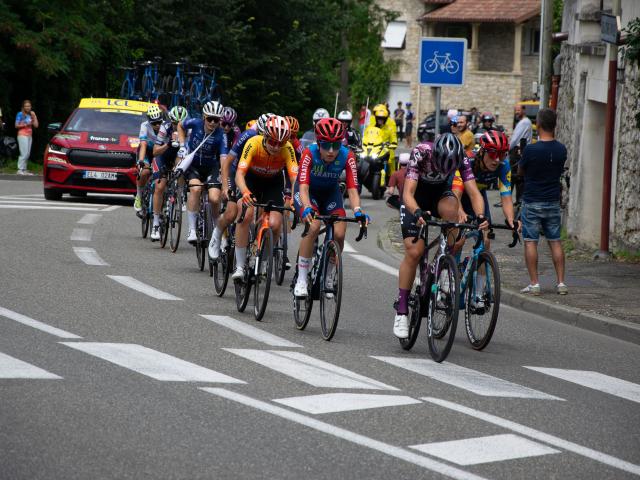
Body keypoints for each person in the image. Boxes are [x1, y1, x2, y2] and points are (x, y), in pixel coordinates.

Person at [392, 134, 488, 339]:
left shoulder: (462, 157)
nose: (444, 170)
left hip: (440, 196)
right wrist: (417, 212)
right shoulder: (421, 152)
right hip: (415, 198)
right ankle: (401, 310)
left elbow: (473, 193)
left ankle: (444, 269)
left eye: (448, 167)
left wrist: (481, 216)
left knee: (456, 220)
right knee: (415, 251)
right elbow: (408, 192)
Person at [293, 118, 368, 297]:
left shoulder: (347, 155)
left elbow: (352, 188)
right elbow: (302, 186)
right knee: (314, 226)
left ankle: (328, 276)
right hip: (308, 193)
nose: (331, 151)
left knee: (340, 232)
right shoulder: (309, 153)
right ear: (318, 142)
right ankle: (302, 279)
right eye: (326, 145)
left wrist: (358, 210)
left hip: (330, 193)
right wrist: (306, 207)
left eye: (335, 145)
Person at [232, 115, 298, 280]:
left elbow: (295, 178)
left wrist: (295, 200)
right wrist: (245, 192)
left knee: (276, 223)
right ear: (265, 137)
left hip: (273, 183)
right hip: (251, 180)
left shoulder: (287, 148)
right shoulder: (253, 143)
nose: (276, 147)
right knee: (245, 214)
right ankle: (240, 266)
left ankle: (263, 261)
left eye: (280, 143)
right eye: (272, 142)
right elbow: (240, 173)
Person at [518, 108, 568, 296]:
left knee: (531, 242)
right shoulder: (561, 149)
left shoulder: (531, 149)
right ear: (555, 125)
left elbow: (521, 172)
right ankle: (561, 282)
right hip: (552, 200)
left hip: (532, 200)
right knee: (555, 241)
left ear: (538, 125)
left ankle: (535, 283)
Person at [175, 100, 228, 244]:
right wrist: (182, 145)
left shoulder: (221, 135)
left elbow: (223, 160)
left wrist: (225, 184)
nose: (212, 123)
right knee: (196, 189)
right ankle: (192, 229)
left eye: (216, 120)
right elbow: (180, 125)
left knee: (215, 199)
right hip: (193, 166)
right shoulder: (195, 123)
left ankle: (218, 232)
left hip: (211, 167)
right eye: (209, 118)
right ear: (204, 117)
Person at [149, 105, 188, 240]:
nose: (177, 126)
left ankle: (181, 194)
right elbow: (155, 151)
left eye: (180, 123)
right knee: (160, 186)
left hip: (179, 156)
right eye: (175, 123)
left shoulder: (190, 129)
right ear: (171, 121)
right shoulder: (164, 127)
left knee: (181, 165)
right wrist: (168, 144)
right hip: (164, 156)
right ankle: (155, 224)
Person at [134, 104, 163, 213]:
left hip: (158, 152)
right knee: (144, 172)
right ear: (149, 121)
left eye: (159, 122)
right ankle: (139, 196)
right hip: (146, 152)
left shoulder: (165, 126)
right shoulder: (144, 126)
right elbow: (143, 144)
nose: (157, 125)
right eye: (154, 123)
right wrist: (141, 161)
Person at [367, 104, 398, 174]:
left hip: (386, 149)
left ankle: (392, 179)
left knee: (390, 160)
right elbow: (367, 135)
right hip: (374, 148)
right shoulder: (372, 125)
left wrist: (392, 144)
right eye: (375, 113)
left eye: (382, 118)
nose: (380, 120)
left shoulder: (390, 126)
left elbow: (394, 137)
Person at [15, 100, 39, 175]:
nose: (27, 107)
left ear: (31, 107)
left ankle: (24, 169)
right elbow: (16, 125)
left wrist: (34, 116)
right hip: (22, 135)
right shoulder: (20, 114)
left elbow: (36, 125)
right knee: (24, 153)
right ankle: (19, 169)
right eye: (26, 106)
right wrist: (26, 124)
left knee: (28, 153)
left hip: (29, 135)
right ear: (23, 107)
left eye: (29, 106)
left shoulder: (30, 115)